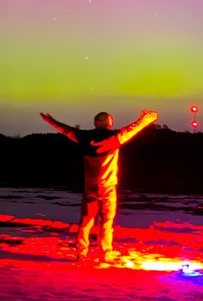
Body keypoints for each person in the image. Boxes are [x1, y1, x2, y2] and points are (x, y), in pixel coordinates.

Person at [40, 109, 158, 262]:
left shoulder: (83, 137)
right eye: (110, 120)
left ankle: (81, 253)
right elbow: (131, 129)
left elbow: (66, 130)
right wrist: (144, 120)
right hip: (107, 187)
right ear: (106, 122)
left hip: (90, 186)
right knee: (106, 222)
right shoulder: (114, 137)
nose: (111, 122)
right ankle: (105, 254)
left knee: (85, 221)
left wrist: (51, 121)